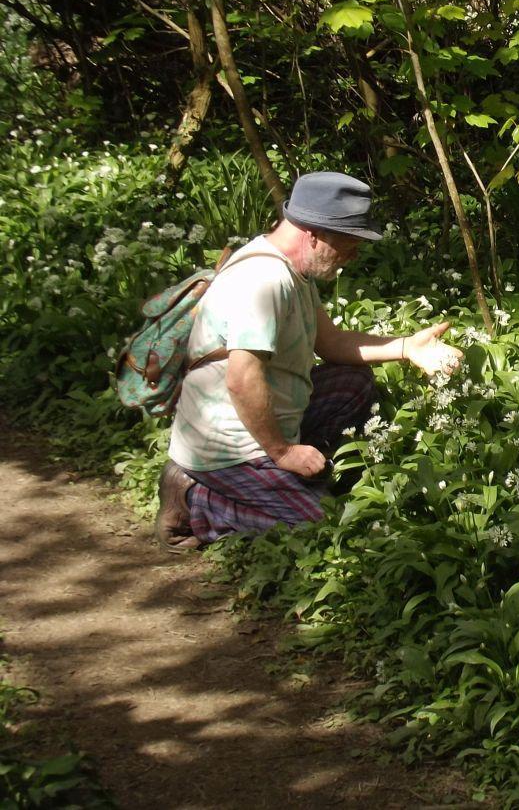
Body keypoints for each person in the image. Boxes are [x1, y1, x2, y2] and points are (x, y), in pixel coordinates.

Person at [154, 172, 463, 552]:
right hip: (230, 450)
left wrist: (406, 347)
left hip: (270, 419)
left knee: (354, 382)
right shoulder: (264, 281)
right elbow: (241, 378)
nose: (352, 257)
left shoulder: (291, 270)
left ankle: (296, 476)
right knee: (322, 524)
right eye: (348, 245)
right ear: (313, 234)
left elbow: (331, 343)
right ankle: (196, 500)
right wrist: (283, 452)